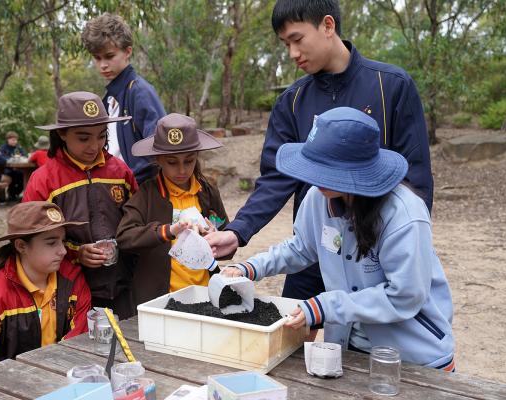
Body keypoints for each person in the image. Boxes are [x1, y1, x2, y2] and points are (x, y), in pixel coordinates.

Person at [206, 0, 434, 305]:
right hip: (315, 244)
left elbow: (415, 177)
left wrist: (403, 244)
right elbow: (275, 178)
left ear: (328, 25)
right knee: (295, 333)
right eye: (285, 44)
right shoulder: (293, 100)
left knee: (370, 340)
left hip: (373, 250)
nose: (292, 53)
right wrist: (237, 232)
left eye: (297, 40)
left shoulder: (390, 86)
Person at [221, 107, 454, 370]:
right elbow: (300, 248)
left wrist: (326, 306)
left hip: (410, 357)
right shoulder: (319, 197)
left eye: (323, 169)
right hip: (348, 349)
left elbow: (405, 295)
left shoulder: (404, 215)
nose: (313, 176)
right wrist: (250, 268)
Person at [22, 91, 138, 319]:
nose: (94, 146)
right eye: (84, 138)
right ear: (62, 133)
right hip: (69, 291)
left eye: (101, 136)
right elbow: (31, 239)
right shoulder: (44, 179)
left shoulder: (120, 171)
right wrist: (76, 253)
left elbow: (138, 220)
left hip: (125, 282)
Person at [0, 201, 91, 377]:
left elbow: (78, 342)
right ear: (21, 246)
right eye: (51, 243)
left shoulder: (73, 280)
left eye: (63, 241)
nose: (63, 251)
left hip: (65, 378)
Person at [116, 114, 232, 306]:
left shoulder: (207, 192)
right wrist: (167, 231)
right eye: (172, 162)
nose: (182, 170)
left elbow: (229, 244)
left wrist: (216, 236)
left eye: (189, 161)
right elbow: (125, 237)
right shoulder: (146, 194)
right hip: (160, 298)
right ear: (158, 160)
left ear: (197, 156)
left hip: (204, 293)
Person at [82, 12, 166, 184]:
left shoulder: (140, 92)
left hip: (141, 190)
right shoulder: (108, 99)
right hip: (113, 187)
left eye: (109, 56)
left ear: (127, 52)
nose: (103, 65)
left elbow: (160, 148)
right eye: (97, 58)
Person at [0, 131, 28, 201]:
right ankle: (11, 194)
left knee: (25, 176)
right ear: (8, 140)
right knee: (11, 175)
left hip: (19, 168)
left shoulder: (18, 147)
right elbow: (2, 158)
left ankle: (15, 193)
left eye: (16, 140)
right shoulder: (3, 148)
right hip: (7, 169)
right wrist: (12, 159)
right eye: (13, 140)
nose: (15, 142)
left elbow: (25, 156)